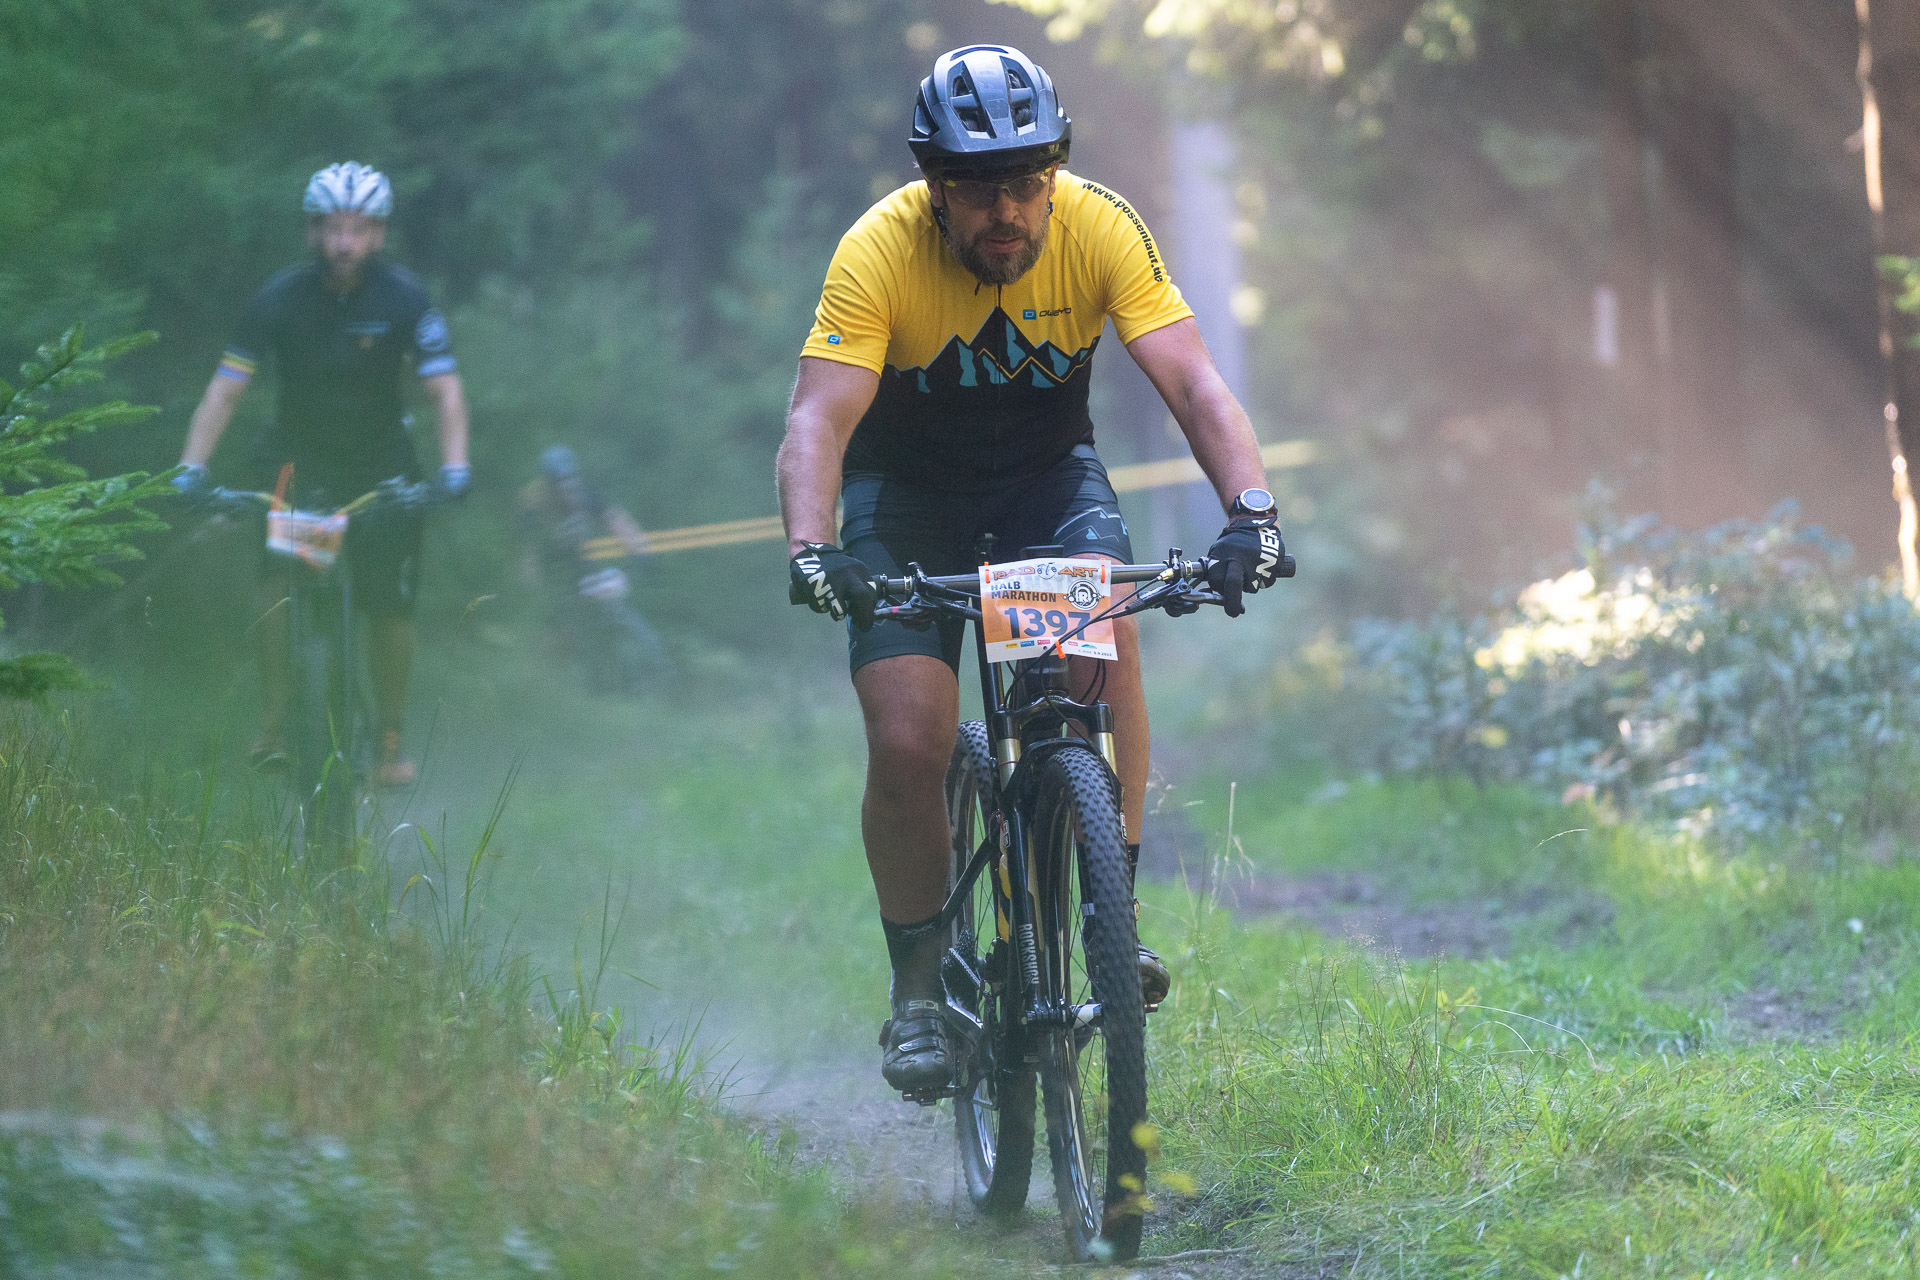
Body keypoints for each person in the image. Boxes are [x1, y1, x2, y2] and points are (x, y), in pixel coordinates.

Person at [777, 45, 1287, 1095]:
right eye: (976, 189)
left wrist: (1252, 514)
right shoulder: (877, 249)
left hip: (1047, 484)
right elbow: (818, 419)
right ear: (934, 186)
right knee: (910, 736)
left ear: (1055, 173)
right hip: (906, 499)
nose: (1005, 210)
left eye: (1025, 181)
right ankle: (919, 991)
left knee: (1107, 645)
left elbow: (1193, 381)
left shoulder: (1101, 225)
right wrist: (812, 548)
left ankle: (1110, 922)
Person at [172, 162, 471, 787]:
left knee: (390, 605)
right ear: (312, 232)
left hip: (382, 466)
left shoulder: (406, 299)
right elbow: (227, 389)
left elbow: (444, 392)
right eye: (333, 228)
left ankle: (389, 736)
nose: (344, 242)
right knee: (277, 582)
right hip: (295, 462)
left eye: (359, 229)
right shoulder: (278, 298)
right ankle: (276, 722)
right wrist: (191, 468)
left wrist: (454, 468)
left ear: (379, 234)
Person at [517, 445, 668, 692]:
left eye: (571, 479)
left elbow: (616, 519)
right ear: (548, 483)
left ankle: (645, 671)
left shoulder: (584, 492)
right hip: (552, 569)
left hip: (582, 564)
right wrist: (533, 582)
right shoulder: (534, 501)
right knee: (560, 623)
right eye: (560, 482)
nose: (567, 487)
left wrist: (640, 551)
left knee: (611, 605)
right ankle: (538, 682)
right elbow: (527, 551)